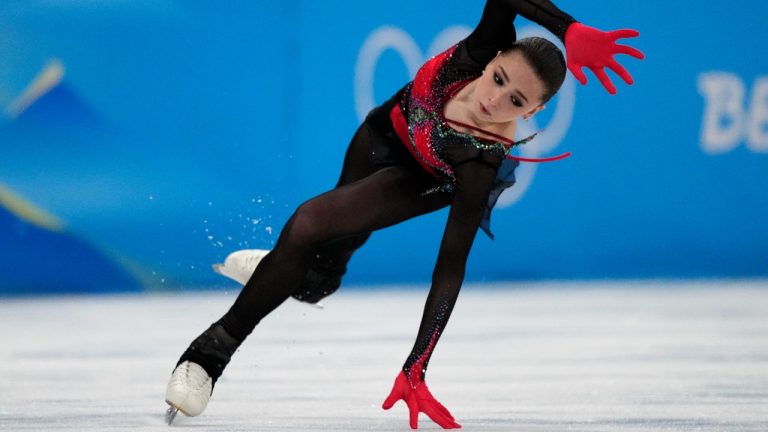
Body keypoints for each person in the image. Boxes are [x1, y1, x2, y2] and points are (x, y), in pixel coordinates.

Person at [164, 0, 644, 429]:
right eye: (499, 79)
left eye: (516, 101)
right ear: (495, 57)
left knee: (308, 225)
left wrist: (418, 365)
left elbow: (450, 266)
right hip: (383, 133)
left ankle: (207, 357)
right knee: (322, 261)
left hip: (421, 180)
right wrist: (568, 27)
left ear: (534, 110)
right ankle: (287, 273)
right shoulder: (481, 48)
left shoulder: (480, 161)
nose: (494, 100)